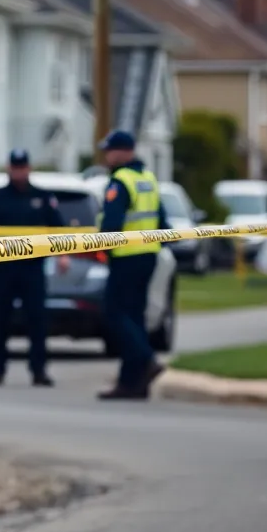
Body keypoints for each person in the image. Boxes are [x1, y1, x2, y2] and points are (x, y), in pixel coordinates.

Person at [0, 149, 68, 387]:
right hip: (3, 269)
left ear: (29, 168)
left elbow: (57, 228)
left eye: (22, 167)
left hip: (32, 268)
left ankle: (39, 370)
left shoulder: (42, 196)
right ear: (9, 168)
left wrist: (63, 255)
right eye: (15, 167)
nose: (18, 171)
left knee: (37, 320)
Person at [94, 130, 169, 401]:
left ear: (124, 152)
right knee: (134, 317)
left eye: (110, 150)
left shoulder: (120, 181)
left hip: (125, 256)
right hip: (148, 255)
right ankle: (133, 383)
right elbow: (163, 222)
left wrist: (100, 245)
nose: (106, 156)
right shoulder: (148, 179)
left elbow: (111, 225)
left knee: (114, 313)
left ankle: (146, 360)